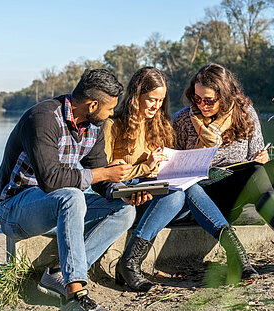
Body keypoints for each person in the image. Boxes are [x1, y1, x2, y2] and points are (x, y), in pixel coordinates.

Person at [0, 69, 140, 311]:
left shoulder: (94, 125)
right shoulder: (43, 119)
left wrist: (123, 190)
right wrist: (101, 173)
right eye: (109, 109)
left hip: (61, 207)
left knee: (124, 211)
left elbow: (101, 178)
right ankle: (74, 298)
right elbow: (51, 181)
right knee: (71, 196)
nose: (111, 114)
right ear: (92, 105)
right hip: (16, 209)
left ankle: (60, 273)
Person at [103, 66, 259, 292]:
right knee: (177, 193)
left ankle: (129, 263)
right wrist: (144, 168)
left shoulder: (162, 126)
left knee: (184, 188)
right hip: (134, 200)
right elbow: (105, 177)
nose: (156, 106)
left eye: (161, 100)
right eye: (151, 100)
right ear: (136, 96)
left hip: (165, 198)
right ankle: (237, 256)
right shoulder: (114, 125)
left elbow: (172, 165)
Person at [173, 63, 274, 267]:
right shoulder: (184, 119)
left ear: (225, 95)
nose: (202, 105)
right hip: (207, 195)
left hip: (245, 188)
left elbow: (256, 155)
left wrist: (261, 158)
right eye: (197, 98)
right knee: (255, 173)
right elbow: (175, 168)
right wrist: (202, 143)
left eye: (209, 100)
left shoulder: (245, 112)